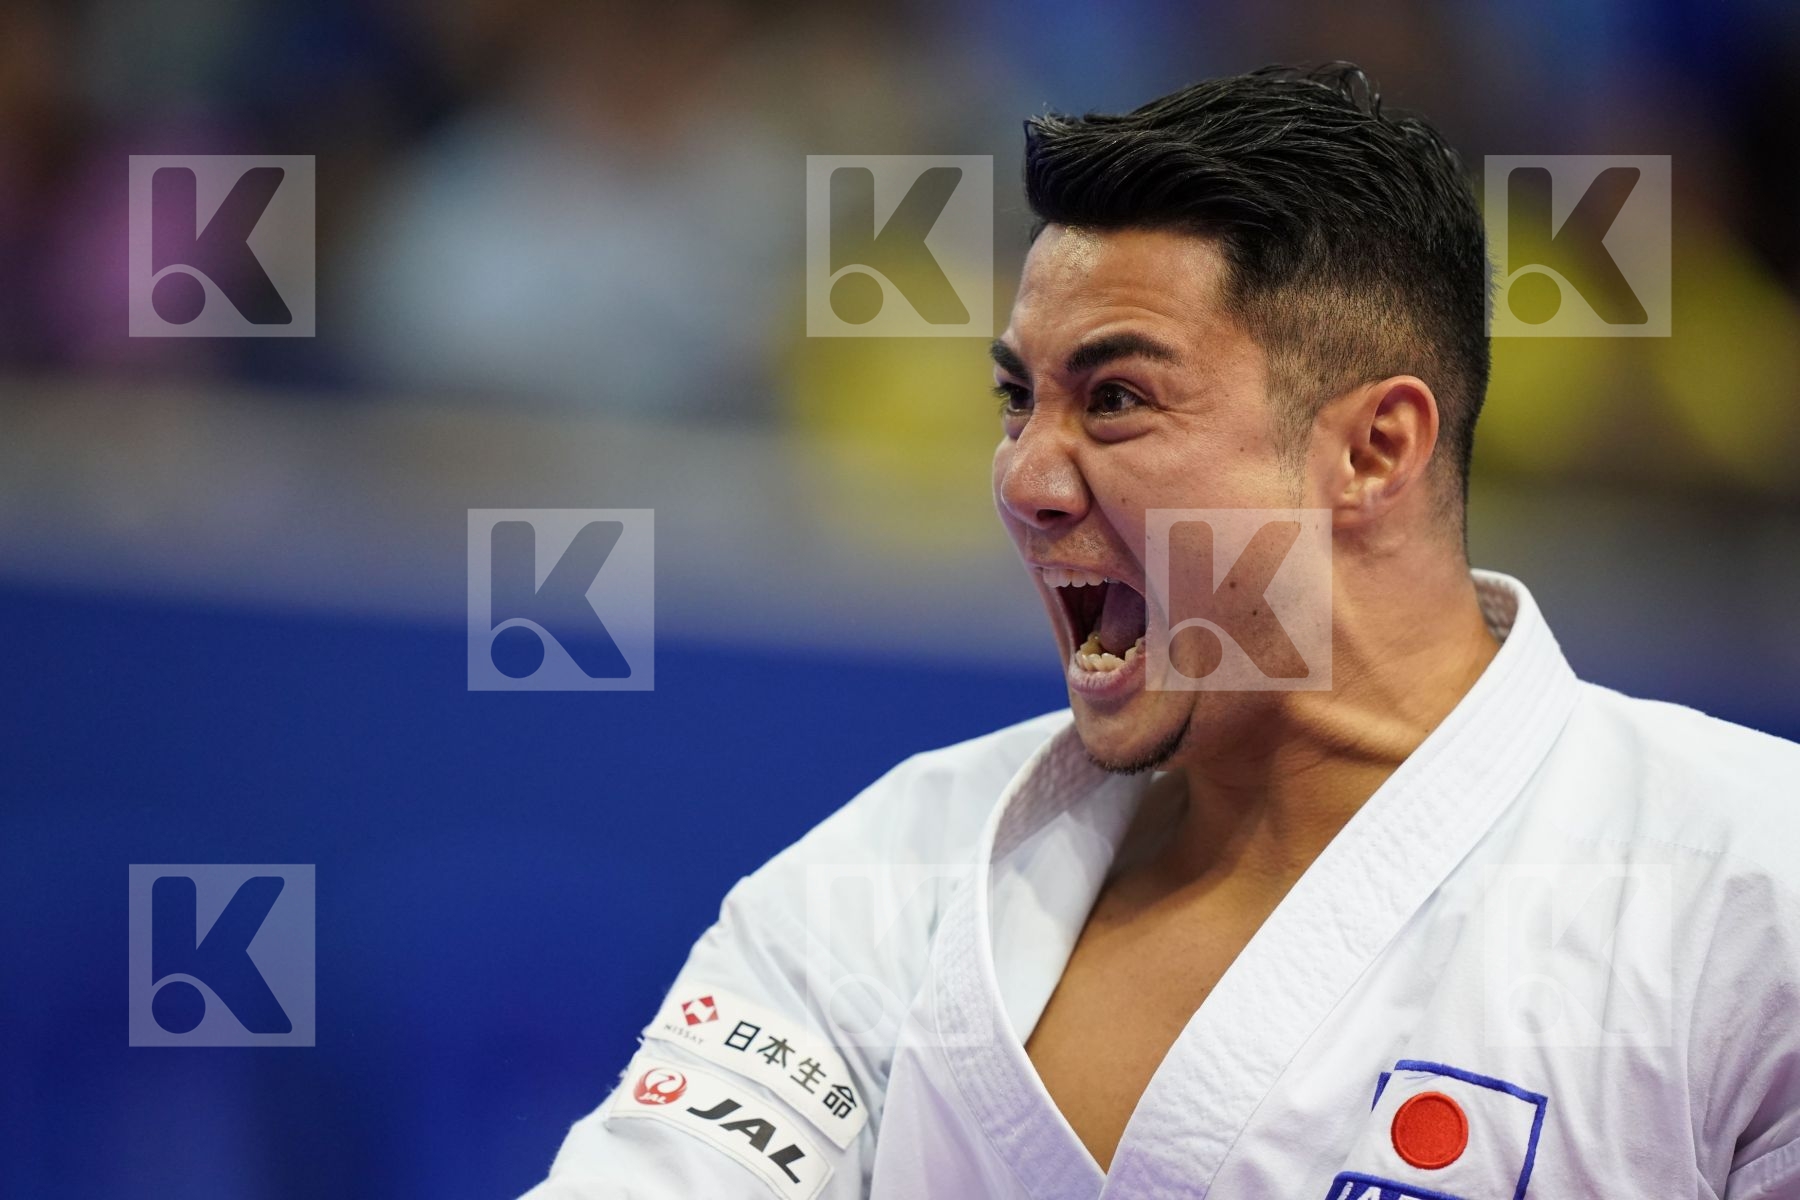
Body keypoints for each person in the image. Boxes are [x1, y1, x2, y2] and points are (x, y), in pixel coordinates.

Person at [520, 64, 1800, 1199]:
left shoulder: (1750, 899)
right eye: (1018, 400)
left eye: (1116, 398)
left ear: (1374, 448)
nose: (1024, 476)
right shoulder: (881, 887)